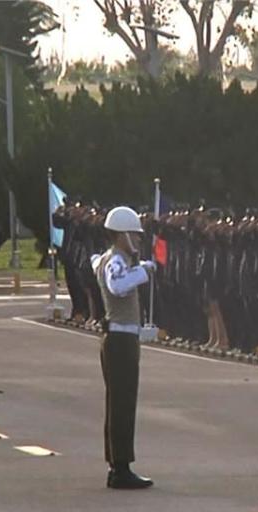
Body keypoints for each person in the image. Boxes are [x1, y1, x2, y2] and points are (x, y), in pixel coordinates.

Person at [91, 206, 156, 489]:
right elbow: (117, 286)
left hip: (121, 339)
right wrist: (142, 272)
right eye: (135, 235)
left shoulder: (115, 258)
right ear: (122, 234)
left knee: (119, 402)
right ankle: (121, 468)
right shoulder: (116, 260)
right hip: (120, 341)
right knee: (122, 404)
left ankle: (117, 463)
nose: (139, 240)